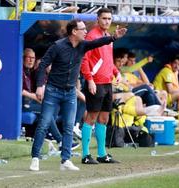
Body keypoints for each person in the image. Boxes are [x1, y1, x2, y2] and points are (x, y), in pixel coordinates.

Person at [29, 19, 127, 171]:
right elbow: (42, 65)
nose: (86, 32)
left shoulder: (83, 45)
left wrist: (113, 37)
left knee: (69, 127)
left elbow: (99, 42)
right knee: (44, 124)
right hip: (52, 91)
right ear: (74, 31)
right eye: (82, 29)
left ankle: (65, 160)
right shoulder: (58, 46)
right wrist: (40, 86)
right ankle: (35, 158)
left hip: (69, 92)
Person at [80, 8, 127, 165]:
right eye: (104, 18)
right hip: (96, 83)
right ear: (97, 19)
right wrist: (90, 80)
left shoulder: (108, 36)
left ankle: (102, 154)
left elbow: (107, 60)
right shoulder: (91, 36)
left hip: (107, 83)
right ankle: (85, 155)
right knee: (91, 117)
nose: (107, 21)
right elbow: (84, 60)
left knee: (104, 117)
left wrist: (116, 72)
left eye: (109, 18)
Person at [22, 48, 79, 149]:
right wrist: (34, 97)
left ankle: (61, 136)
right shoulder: (20, 71)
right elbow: (19, 90)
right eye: (28, 58)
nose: (31, 60)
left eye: (33, 58)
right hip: (22, 105)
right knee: (46, 111)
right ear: (23, 58)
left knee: (49, 111)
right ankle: (60, 140)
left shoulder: (29, 72)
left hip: (32, 103)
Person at [153, 55, 179, 131]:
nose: (177, 66)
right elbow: (171, 90)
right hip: (159, 97)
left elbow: (176, 89)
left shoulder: (174, 73)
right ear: (170, 63)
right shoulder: (167, 71)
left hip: (167, 96)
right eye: (175, 63)